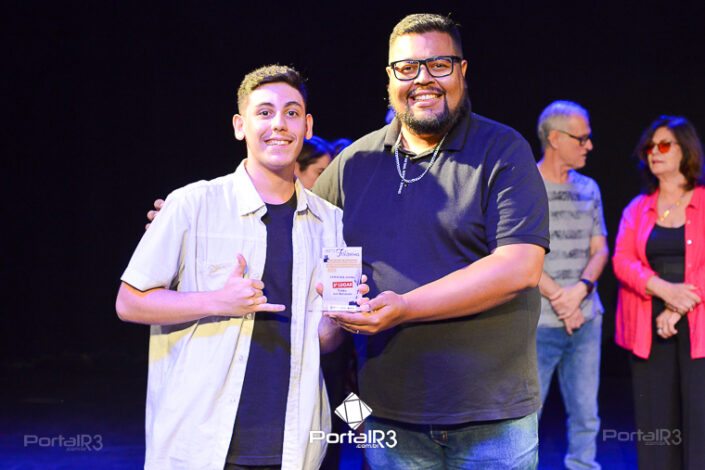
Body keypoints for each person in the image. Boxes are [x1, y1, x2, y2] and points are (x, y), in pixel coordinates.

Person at [314, 13, 549, 469]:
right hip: (387, 420)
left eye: (439, 65)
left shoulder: (503, 150)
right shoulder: (353, 163)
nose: (422, 79)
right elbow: (297, 233)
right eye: (407, 68)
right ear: (389, 79)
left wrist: (404, 307)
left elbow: (520, 267)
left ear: (463, 71)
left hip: (493, 419)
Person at [117, 65, 363, 470]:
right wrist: (217, 300)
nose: (278, 124)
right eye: (264, 112)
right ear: (239, 125)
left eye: (291, 112)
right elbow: (129, 302)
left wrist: (339, 317)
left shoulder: (331, 223)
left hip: (294, 443)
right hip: (200, 442)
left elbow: (324, 342)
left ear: (306, 125)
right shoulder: (192, 203)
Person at [613, 115, 705, 470]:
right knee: (657, 426)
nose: (655, 152)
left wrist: (678, 306)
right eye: (649, 147)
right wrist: (664, 290)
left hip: (697, 320)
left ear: (686, 150)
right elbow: (622, 261)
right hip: (648, 324)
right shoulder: (637, 208)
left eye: (664, 145)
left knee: (699, 422)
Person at [535, 101, 609, 469]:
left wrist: (579, 292)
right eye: (582, 138)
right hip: (538, 324)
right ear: (555, 139)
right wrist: (559, 299)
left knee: (586, 415)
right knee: (526, 416)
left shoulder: (589, 187)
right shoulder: (526, 186)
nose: (589, 145)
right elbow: (518, 256)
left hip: (586, 319)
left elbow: (600, 248)